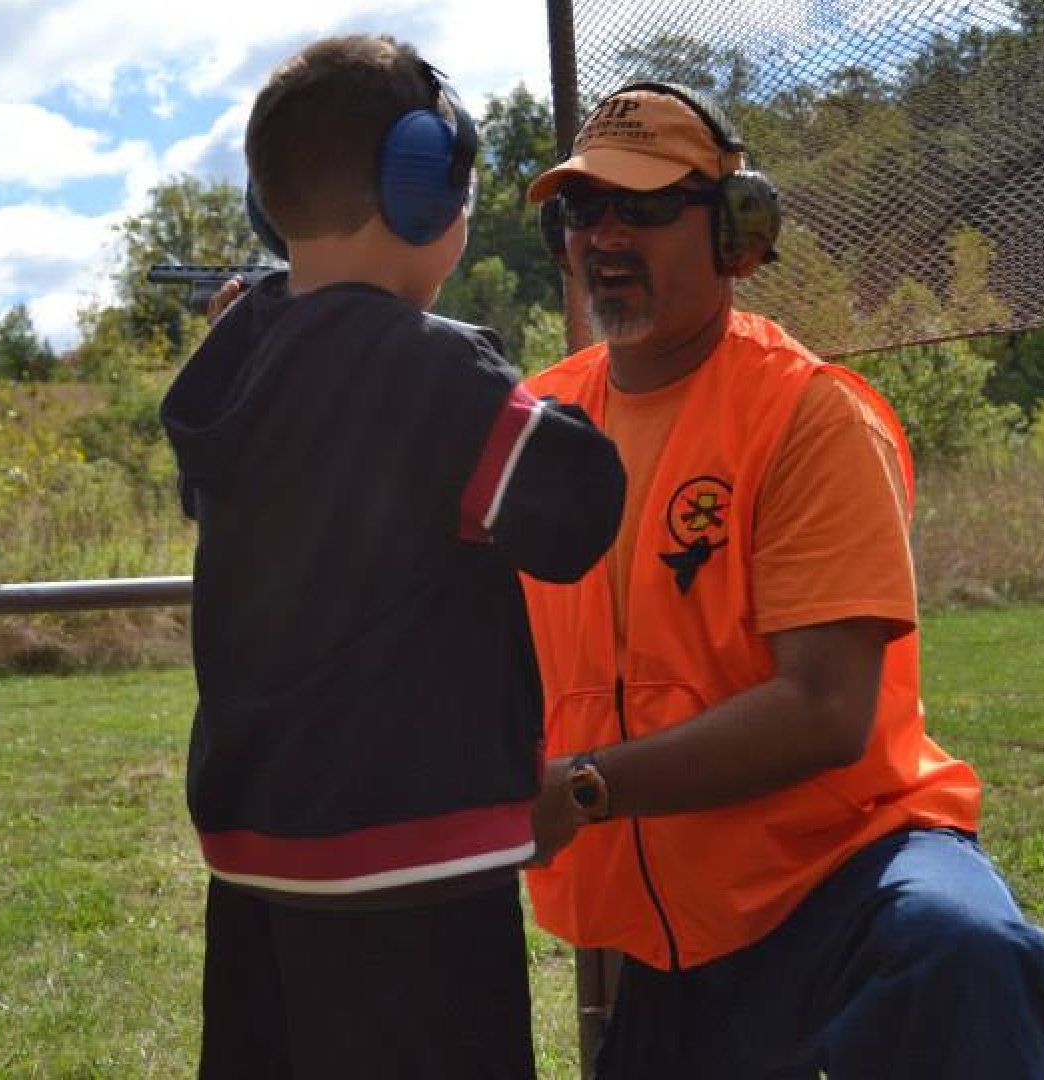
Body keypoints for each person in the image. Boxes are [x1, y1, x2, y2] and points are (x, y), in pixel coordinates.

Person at [518, 82, 1044, 1079]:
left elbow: (825, 709)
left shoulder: (807, 418)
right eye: (580, 209)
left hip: (839, 881)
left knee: (962, 951)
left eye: (640, 207)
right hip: (668, 941)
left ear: (736, 233)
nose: (603, 234)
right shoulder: (533, 425)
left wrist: (589, 787)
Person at [157, 34, 626, 1080]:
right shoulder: (434, 371)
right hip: (410, 863)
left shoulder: (233, 365)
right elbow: (577, 511)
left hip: (255, 863)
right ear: (420, 189)